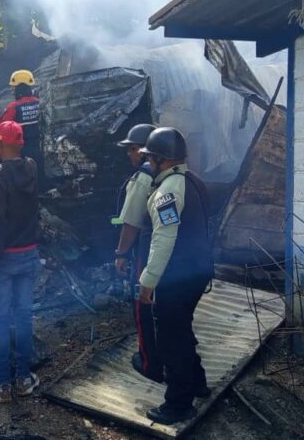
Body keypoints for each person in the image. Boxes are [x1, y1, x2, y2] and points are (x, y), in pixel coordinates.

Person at [138, 127, 214, 425]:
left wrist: (148, 281)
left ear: (159, 159)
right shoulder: (194, 181)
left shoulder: (167, 192)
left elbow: (164, 239)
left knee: (171, 338)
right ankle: (197, 383)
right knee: (181, 329)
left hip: (177, 276)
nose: (148, 163)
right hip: (198, 270)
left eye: (149, 158)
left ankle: (179, 404)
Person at [0, 120, 41, 403]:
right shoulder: (32, 168)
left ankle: (3, 385)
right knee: (24, 316)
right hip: (30, 254)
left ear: (1, 144)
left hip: (5, 258)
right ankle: (24, 378)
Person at [112, 124, 163, 383]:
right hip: (167, 251)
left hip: (146, 249)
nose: (129, 154)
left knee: (142, 305)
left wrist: (121, 253)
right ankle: (165, 354)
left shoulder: (142, 178)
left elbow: (131, 223)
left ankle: (149, 361)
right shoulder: (169, 175)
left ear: (145, 151)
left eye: (133, 148)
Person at [0, 69, 43, 187]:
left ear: (18, 88)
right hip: (41, 148)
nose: (13, 91)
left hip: (21, 151)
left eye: (14, 88)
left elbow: (2, 128)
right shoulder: (41, 103)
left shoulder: (14, 107)